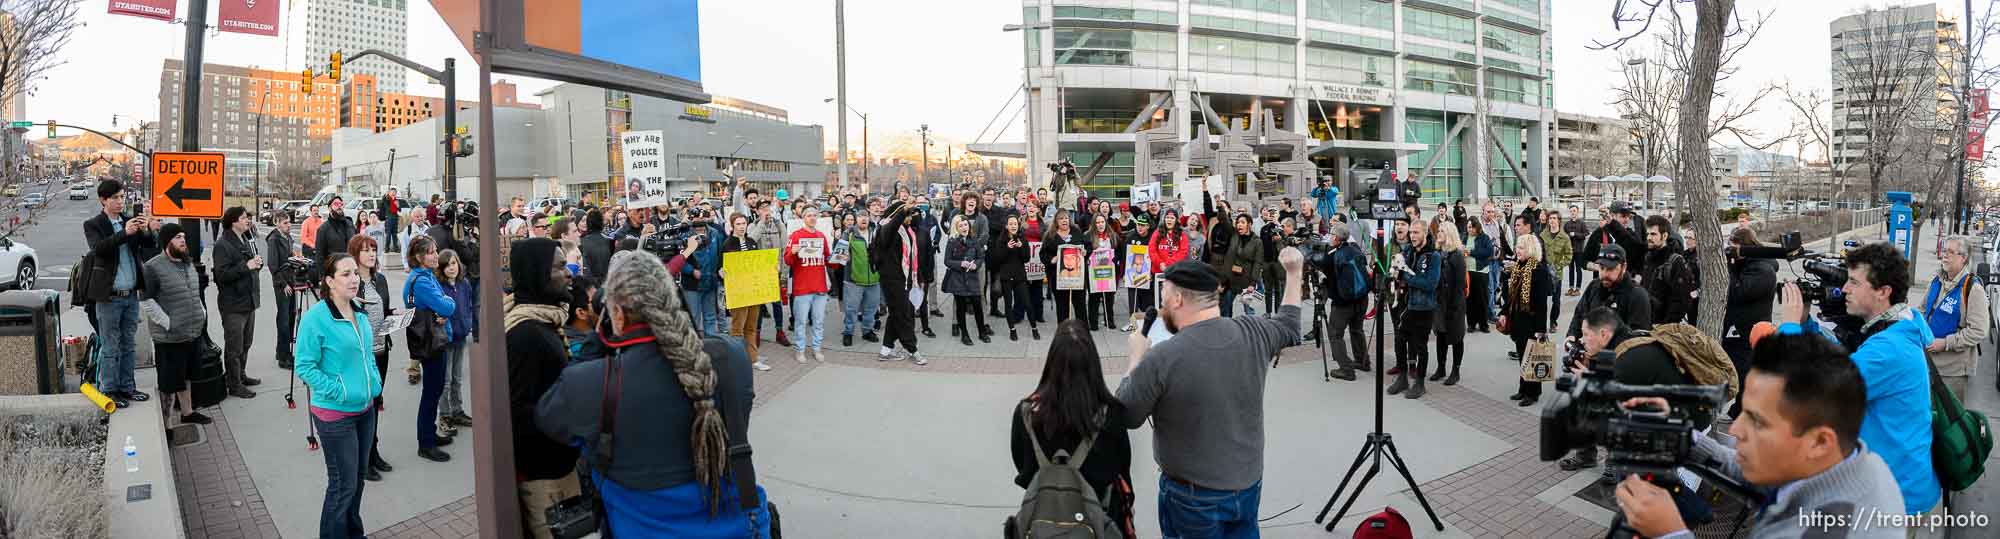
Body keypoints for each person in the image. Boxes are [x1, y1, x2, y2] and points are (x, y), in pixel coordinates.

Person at [535, 249, 776, 538]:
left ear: (618, 315)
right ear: (671, 300)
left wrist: (598, 339)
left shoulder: (591, 382)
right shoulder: (731, 357)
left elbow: (548, 418)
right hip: (741, 527)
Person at [1612, 334, 1907, 539]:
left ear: (1819, 442)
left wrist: (1670, 533)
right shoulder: (1849, 461)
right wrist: (1682, 437)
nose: (1736, 430)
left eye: (1757, 420)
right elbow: (1755, 475)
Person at [1115, 250, 1303, 537]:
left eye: (1164, 293)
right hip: (1248, 484)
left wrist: (1136, 358)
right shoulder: (1252, 331)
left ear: (1178, 299)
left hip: (1191, 498)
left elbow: (1125, 413)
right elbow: (1290, 326)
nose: (1162, 302)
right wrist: (1293, 272)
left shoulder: (1163, 356)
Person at [1777, 243, 1939, 516]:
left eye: (1853, 282)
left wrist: (1790, 326)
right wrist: (1806, 324)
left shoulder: (1889, 350)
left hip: (1892, 498)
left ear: (1883, 292)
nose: (1845, 290)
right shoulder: (1902, 322)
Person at [1011, 319, 1135, 538]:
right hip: (1100, 522)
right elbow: (1121, 468)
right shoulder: (1111, 415)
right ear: (1093, 364)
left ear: (1051, 363)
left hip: (1043, 522)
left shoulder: (1027, 414)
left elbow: (1023, 469)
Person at [498, 237, 586, 536]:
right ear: (538, 272)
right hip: (545, 477)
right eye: (560, 266)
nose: (570, 272)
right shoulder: (525, 334)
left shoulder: (544, 321)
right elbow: (519, 411)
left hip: (559, 465)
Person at [294, 254, 384, 538]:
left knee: (356, 481)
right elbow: (304, 366)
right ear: (330, 281)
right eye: (345, 274)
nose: (354, 279)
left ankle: (354, 533)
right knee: (342, 485)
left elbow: (367, 352)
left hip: (365, 409)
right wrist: (339, 391)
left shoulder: (359, 310)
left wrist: (374, 381)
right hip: (335, 415)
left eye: (355, 273)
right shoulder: (316, 318)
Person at [80, 180, 157, 407]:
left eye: (122, 197)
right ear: (103, 200)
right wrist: (125, 233)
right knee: (111, 345)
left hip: (131, 295)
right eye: (115, 198)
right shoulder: (94, 224)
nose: (120, 202)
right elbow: (99, 250)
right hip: (109, 296)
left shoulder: (128, 221)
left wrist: (147, 230)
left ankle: (127, 387)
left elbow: (149, 248)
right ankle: (109, 390)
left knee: (128, 345)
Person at [142, 223, 212, 425]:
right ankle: (167, 424)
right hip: (169, 337)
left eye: (183, 236)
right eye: (177, 237)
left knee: (186, 376)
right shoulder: (153, 267)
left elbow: (193, 291)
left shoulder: (187, 263)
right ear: (166, 242)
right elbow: (146, 301)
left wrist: (202, 312)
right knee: (168, 382)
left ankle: (187, 412)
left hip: (191, 332)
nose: (183, 240)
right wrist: (168, 323)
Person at [346, 236, 402, 480]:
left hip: (381, 348)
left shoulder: (380, 279)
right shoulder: (350, 282)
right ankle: (363, 459)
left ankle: (373, 451)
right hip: (361, 352)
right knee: (364, 405)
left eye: (373, 250)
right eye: (365, 250)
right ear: (355, 253)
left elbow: (382, 307)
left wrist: (394, 314)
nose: (370, 254)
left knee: (376, 401)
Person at [401, 235, 458, 466]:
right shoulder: (422, 281)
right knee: (431, 392)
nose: (436, 255)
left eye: (436, 250)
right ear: (418, 257)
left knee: (433, 391)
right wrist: (446, 303)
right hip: (431, 342)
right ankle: (426, 443)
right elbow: (447, 305)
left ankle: (430, 434)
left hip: (433, 340)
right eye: (431, 252)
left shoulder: (424, 276)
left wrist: (443, 304)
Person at [1922, 235, 1988, 400]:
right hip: (1926, 364)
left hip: (1952, 372)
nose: (1945, 255)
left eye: (1951, 252)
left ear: (1963, 258)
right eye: (1944, 251)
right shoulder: (1936, 281)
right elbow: (1923, 310)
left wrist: (1945, 343)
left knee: (1948, 423)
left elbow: (1979, 331)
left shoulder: (1973, 289)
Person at [1721, 228, 1777, 419]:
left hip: (1749, 333)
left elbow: (1738, 292)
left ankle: (1743, 414)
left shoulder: (1763, 269)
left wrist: (1727, 266)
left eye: (1733, 247)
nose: (1730, 250)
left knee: (1745, 374)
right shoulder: (1746, 265)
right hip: (1739, 330)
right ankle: (1739, 411)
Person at [211, 206, 264, 399]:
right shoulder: (223, 244)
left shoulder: (246, 238)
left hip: (248, 299)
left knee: (246, 343)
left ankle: (241, 375)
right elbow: (222, 275)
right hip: (233, 303)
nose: (247, 221)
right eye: (243, 218)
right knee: (234, 346)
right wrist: (246, 266)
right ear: (233, 221)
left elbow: (250, 264)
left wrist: (256, 263)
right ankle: (234, 384)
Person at [1501, 235, 1557, 407]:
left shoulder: (1538, 270)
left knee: (1532, 356)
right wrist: (1504, 312)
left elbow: (1542, 303)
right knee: (1522, 355)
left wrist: (1541, 330)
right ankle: (1523, 388)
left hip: (1532, 320)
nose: (1518, 250)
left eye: (1522, 248)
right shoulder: (1519, 267)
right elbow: (1512, 296)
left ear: (1531, 250)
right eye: (1517, 247)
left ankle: (1533, 393)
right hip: (1518, 319)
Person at [1389, 225, 1440, 398]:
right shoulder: (1409, 251)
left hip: (1425, 307)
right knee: (1400, 338)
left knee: (1420, 345)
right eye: (1411, 232)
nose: (1412, 236)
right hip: (1408, 305)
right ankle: (1402, 377)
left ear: (1425, 234)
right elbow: (1398, 267)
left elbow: (1430, 284)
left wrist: (1406, 277)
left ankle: (1420, 383)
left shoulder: (1433, 256)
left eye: (1416, 232)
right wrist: (1394, 270)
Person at [872, 202, 927, 364]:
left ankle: (886, 350)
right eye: (907, 215)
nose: (910, 218)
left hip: (907, 279)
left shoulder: (907, 230)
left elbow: (912, 257)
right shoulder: (886, 229)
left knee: (898, 314)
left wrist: (918, 278)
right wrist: (902, 211)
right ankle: (912, 349)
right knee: (903, 315)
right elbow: (892, 225)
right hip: (892, 280)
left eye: (910, 215)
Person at [1318, 226, 1370, 381]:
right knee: (1357, 330)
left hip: (1343, 302)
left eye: (1331, 235)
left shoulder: (1333, 256)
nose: (1329, 237)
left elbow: (1321, 266)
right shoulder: (1355, 250)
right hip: (1362, 298)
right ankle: (1363, 361)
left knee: (1335, 333)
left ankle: (1346, 369)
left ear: (1336, 238)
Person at [719, 213, 771, 371]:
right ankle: (737, 360)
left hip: (753, 290)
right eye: (738, 224)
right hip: (738, 291)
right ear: (732, 226)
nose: (741, 227)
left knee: (751, 327)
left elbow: (758, 263)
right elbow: (721, 268)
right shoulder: (727, 244)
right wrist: (723, 273)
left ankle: (753, 359)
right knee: (737, 328)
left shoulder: (751, 242)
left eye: (743, 223)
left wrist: (769, 267)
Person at [434, 249, 477, 432]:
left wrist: (469, 325)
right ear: (441, 269)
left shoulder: (464, 284)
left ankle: (457, 410)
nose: (451, 268)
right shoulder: (439, 287)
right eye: (446, 265)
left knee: (457, 378)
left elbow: (468, 306)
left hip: (461, 336)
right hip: (446, 338)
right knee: (446, 379)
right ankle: (445, 414)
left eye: (453, 263)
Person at [784, 205, 834, 363]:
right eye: (809, 215)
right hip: (802, 287)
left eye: (814, 215)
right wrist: (793, 252)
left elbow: (828, 259)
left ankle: (816, 348)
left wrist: (839, 258)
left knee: (818, 321)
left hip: (819, 286)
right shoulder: (796, 235)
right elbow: (787, 260)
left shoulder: (821, 235)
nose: (812, 218)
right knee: (801, 321)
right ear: (803, 218)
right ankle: (800, 349)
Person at [944, 215, 993, 345]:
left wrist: (976, 264)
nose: (964, 227)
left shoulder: (974, 240)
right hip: (958, 279)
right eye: (961, 226)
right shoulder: (952, 241)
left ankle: (982, 332)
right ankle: (964, 334)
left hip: (972, 278)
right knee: (960, 308)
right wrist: (961, 264)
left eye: (966, 224)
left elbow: (980, 256)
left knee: (977, 305)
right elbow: (947, 261)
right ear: (956, 228)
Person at [1429, 225, 1469, 386]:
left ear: (1450, 234)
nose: (1438, 234)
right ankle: (1441, 368)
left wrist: (1453, 306)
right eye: (1438, 231)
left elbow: (1460, 284)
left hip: (1454, 303)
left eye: (1442, 231)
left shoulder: (1456, 256)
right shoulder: (1437, 254)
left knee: (1456, 337)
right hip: (1439, 302)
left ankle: (1456, 370)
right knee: (1441, 336)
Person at [679, 208, 728, 336]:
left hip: (710, 282)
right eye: (695, 218)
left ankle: (710, 345)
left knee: (710, 317)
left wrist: (720, 270)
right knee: (694, 318)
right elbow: (678, 259)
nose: (699, 220)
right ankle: (694, 348)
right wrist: (691, 270)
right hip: (692, 285)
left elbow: (720, 254)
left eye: (701, 217)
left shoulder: (715, 234)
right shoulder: (683, 235)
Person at [835, 209, 881, 347]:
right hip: (853, 280)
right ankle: (848, 332)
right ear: (856, 219)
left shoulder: (877, 232)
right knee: (851, 309)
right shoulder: (848, 233)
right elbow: (838, 256)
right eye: (860, 216)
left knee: (871, 308)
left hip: (874, 279)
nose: (863, 219)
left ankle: (867, 331)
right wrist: (844, 257)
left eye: (866, 216)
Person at [1642, 215, 1697, 325]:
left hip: (1663, 328)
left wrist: (1666, 325)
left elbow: (1682, 300)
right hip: (1646, 323)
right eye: (1647, 234)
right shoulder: (1648, 258)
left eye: (1653, 234)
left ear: (1665, 235)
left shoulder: (1675, 262)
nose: (1648, 237)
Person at [991, 215, 1037, 341]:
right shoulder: (1001, 240)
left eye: (1015, 224)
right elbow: (997, 259)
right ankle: (1012, 330)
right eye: (1010, 224)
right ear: (1006, 226)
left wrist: (1021, 247)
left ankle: (1034, 328)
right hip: (1006, 277)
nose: (1013, 226)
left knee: (1027, 303)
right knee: (1008, 304)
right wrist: (1007, 248)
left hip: (1020, 277)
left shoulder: (1022, 238)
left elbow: (1026, 258)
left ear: (1018, 225)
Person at [267, 209, 303, 370]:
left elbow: (288, 259)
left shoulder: (287, 237)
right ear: (277, 223)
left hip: (291, 280)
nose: (288, 225)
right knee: (283, 319)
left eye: (289, 222)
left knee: (290, 317)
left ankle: (282, 351)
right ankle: (284, 357)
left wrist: (296, 259)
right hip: (282, 284)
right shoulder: (273, 239)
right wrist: (284, 284)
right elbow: (273, 265)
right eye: (285, 223)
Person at [1042, 213, 1091, 324]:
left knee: (1080, 306)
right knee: (1062, 307)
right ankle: (1063, 332)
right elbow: (1043, 254)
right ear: (1056, 221)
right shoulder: (1050, 236)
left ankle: (1082, 331)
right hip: (1059, 278)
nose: (1064, 220)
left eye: (1066, 218)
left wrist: (1085, 252)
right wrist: (1052, 259)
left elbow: (1087, 246)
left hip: (1077, 278)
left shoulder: (1076, 232)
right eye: (1061, 218)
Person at [1216, 213, 1264, 318]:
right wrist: (1220, 207)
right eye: (1238, 222)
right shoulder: (1234, 236)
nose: (1239, 225)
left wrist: (1253, 283)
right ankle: (1228, 330)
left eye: (1242, 222)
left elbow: (1258, 263)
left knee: (1249, 311)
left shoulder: (1257, 242)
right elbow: (1224, 221)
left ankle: (1252, 332)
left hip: (1247, 280)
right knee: (1225, 309)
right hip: (1231, 279)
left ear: (1249, 224)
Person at [1088, 214, 1124, 330]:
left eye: (1102, 222)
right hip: (1094, 272)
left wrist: (1116, 259)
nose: (1100, 225)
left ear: (1105, 223)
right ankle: (1093, 322)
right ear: (1094, 224)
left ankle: (1110, 320)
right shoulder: (1088, 236)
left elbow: (1120, 251)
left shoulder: (1113, 236)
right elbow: (1086, 251)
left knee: (1109, 297)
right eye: (1097, 222)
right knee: (1094, 297)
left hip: (1109, 271)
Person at [1465, 220, 1495, 333]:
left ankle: (1483, 324)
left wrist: (1471, 252)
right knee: (1470, 299)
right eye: (1468, 227)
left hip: (1481, 271)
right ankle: (1471, 323)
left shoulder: (1484, 238)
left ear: (1477, 227)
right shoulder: (1464, 237)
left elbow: (1488, 252)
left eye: (1472, 227)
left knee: (1482, 299)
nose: (1470, 230)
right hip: (1468, 272)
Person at [317, 196, 358, 268]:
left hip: (351, 267)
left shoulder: (350, 224)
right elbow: (320, 255)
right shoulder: (323, 229)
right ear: (329, 208)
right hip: (334, 269)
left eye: (341, 204)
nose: (339, 206)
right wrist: (323, 276)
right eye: (336, 204)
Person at [1564, 205, 1589, 296]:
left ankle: (1577, 289)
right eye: (1571, 211)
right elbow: (1563, 235)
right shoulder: (1567, 224)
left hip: (1579, 250)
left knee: (1578, 269)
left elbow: (1586, 234)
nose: (1572, 212)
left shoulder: (1582, 223)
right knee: (1571, 269)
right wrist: (1568, 235)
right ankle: (1571, 288)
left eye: (1574, 211)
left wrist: (1575, 234)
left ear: (1577, 212)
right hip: (1570, 251)